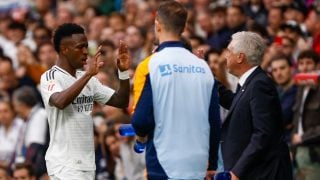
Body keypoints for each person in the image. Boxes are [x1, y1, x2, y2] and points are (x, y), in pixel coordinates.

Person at [131, 1, 220, 179]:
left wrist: (140, 139)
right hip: (197, 161)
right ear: (184, 27)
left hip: (164, 160)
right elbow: (214, 120)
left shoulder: (153, 64)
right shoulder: (203, 66)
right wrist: (211, 162)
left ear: (157, 25)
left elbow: (141, 120)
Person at [39, 23, 130, 180]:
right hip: (64, 163)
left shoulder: (87, 79)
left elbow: (121, 101)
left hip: (86, 162)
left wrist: (123, 72)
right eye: (80, 47)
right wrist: (88, 75)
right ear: (64, 49)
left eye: (86, 46)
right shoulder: (51, 77)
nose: (85, 52)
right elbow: (60, 101)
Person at [218, 31, 292, 180]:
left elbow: (263, 134)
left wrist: (237, 171)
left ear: (240, 57)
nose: (226, 56)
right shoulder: (251, 82)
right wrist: (206, 76)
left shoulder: (259, 84)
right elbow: (235, 104)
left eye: (229, 52)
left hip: (265, 173)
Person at [291, 49, 320, 180]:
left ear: (317, 65)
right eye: (301, 63)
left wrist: (303, 137)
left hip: (315, 150)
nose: (305, 67)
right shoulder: (300, 88)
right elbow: (297, 120)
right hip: (299, 150)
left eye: (309, 63)